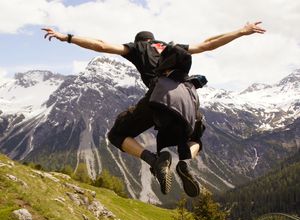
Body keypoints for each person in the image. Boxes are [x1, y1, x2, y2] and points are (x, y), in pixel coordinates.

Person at [42, 22, 266, 197]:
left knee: (117, 134)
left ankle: (153, 160)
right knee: (195, 138)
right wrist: (241, 31)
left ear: (138, 41)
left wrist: (67, 37)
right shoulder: (172, 48)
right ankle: (184, 162)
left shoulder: (136, 48)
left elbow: (101, 45)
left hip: (159, 98)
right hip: (188, 99)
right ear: (154, 39)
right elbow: (208, 44)